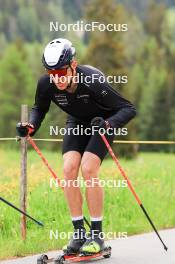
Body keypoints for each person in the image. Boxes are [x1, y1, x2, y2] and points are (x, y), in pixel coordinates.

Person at [16, 38, 136, 255]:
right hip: (77, 121)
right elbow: (39, 109)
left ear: (73, 64)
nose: (57, 79)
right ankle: (79, 233)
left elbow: (128, 108)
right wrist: (30, 126)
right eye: (52, 74)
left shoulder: (92, 81)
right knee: (69, 168)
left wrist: (108, 124)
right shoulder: (46, 84)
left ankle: (97, 236)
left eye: (61, 73)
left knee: (89, 168)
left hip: (103, 121)